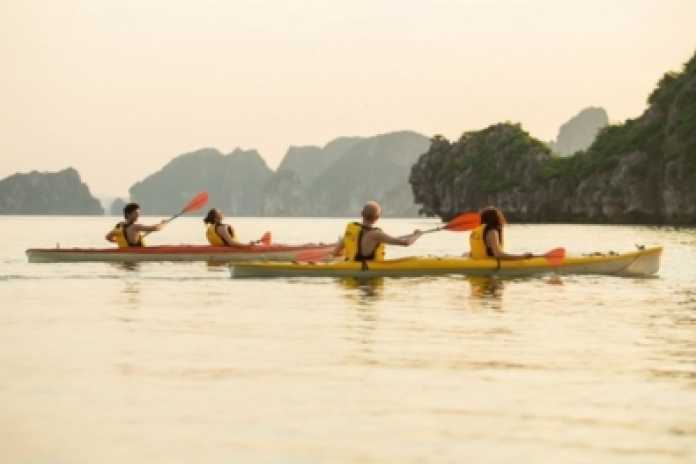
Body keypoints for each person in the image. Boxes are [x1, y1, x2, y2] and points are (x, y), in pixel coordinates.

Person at [332, 201, 423, 263]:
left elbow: (335, 253)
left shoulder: (351, 230)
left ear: (361, 214)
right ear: (377, 217)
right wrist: (417, 235)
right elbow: (406, 242)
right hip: (368, 276)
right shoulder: (376, 235)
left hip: (351, 269)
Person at [469, 206, 533, 260]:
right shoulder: (492, 232)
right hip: (488, 263)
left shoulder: (477, 230)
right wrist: (522, 257)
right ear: (496, 219)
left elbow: (475, 251)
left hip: (478, 261)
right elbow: (498, 254)